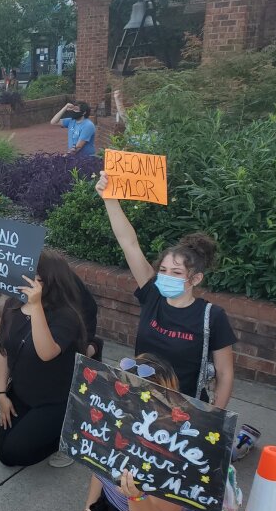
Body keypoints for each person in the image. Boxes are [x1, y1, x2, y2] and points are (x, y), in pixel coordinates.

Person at [71, 354, 223, 511]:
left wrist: (137, 497)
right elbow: (98, 468)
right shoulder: (116, 419)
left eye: (144, 399)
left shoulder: (175, 449)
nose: (131, 404)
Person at [95, 172, 236, 407]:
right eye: (163, 269)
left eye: (177, 272)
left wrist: (212, 419)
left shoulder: (212, 317)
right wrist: (109, 198)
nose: (167, 276)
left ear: (195, 278)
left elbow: (225, 374)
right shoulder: (153, 295)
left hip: (184, 410)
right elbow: (128, 242)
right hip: (139, 400)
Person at [0, 250, 87, 467]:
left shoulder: (66, 316)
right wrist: (1, 394)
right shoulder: (13, 305)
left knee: (14, 454)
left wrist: (35, 306)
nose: (26, 282)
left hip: (54, 400)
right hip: (23, 393)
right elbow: (3, 351)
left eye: (35, 279)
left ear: (51, 282)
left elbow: (46, 353)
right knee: (3, 452)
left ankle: (67, 435)